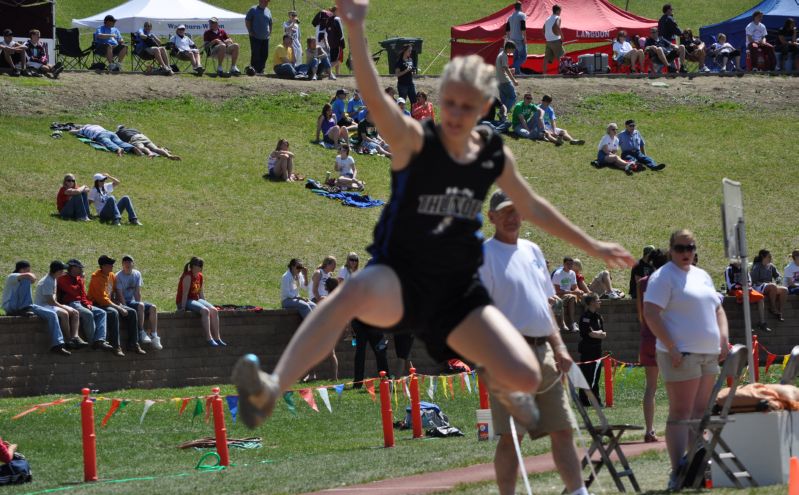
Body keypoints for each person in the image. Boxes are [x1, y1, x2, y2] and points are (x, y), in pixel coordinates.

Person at [231, 0, 635, 433]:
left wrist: (591, 246)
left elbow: (534, 207)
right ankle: (269, 390)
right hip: (400, 277)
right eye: (450, 105)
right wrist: (356, 28)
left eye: (468, 107)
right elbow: (372, 97)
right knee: (346, 297)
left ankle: (516, 400)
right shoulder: (415, 141)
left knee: (526, 374)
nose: (457, 116)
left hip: (456, 294)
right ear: (440, 102)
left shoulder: (493, 154)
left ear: (483, 108)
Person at [480, 191, 626, 495]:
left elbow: (544, 307)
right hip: (506, 354)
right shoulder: (484, 256)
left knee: (562, 428)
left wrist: (559, 348)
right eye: (504, 212)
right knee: (511, 436)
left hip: (543, 351)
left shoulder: (532, 251)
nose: (512, 217)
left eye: (516, 211)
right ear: (491, 218)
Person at [643, 229, 729, 491]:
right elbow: (650, 313)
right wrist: (671, 346)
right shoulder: (663, 277)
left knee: (699, 412)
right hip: (680, 355)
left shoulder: (702, 276)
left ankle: (695, 467)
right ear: (671, 250)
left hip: (708, 353)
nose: (686, 253)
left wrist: (723, 338)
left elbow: (718, 308)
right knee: (681, 412)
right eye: (680, 248)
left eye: (690, 248)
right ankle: (677, 471)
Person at [2, 260, 71, 355]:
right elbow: (32, 277)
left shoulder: (24, 278)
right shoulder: (12, 277)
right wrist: (30, 275)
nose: (30, 271)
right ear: (21, 269)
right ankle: (25, 308)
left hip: (25, 307)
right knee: (26, 280)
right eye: (28, 270)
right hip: (10, 307)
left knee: (52, 314)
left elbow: (32, 278)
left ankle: (57, 345)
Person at [636, 248, 668, 442]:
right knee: (678, 384)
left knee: (651, 387)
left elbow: (641, 313)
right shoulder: (667, 281)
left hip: (647, 335)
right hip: (665, 336)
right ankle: (682, 427)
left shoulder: (642, 283)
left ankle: (649, 430)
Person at [87, 255, 145, 356]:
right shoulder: (96, 278)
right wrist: (118, 307)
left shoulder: (111, 275)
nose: (112, 266)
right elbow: (102, 299)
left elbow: (112, 294)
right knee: (113, 313)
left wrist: (120, 304)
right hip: (98, 304)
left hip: (109, 302)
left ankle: (133, 343)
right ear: (103, 266)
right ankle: (116, 346)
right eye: (110, 265)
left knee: (132, 312)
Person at [56, 259, 115, 352]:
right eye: (79, 268)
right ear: (73, 268)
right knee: (88, 314)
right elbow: (72, 291)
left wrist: (87, 303)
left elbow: (83, 294)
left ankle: (100, 339)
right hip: (70, 303)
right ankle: (92, 341)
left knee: (102, 312)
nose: (81, 270)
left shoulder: (79, 279)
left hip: (81, 303)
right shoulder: (63, 279)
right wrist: (81, 281)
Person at [116, 255, 162, 350]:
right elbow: (119, 295)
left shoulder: (137, 274)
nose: (127, 265)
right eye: (125, 263)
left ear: (133, 264)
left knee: (153, 307)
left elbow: (137, 293)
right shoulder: (118, 276)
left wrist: (141, 308)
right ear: (122, 265)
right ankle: (141, 332)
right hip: (125, 302)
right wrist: (125, 307)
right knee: (140, 305)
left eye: (129, 263)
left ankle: (154, 335)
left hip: (133, 301)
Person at [176, 256, 225, 347]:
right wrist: (182, 307)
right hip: (184, 301)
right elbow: (185, 294)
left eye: (201, 266)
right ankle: (209, 338)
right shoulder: (188, 276)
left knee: (214, 310)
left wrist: (206, 304)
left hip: (195, 300)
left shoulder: (200, 276)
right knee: (205, 311)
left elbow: (201, 292)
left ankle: (217, 338)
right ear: (193, 267)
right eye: (199, 266)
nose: (201, 268)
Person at [724, 259, 771, 332]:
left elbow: (749, 280)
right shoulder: (729, 269)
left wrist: (748, 285)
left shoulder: (744, 268)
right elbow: (730, 285)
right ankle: (748, 325)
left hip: (746, 289)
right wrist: (741, 286)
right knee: (745, 297)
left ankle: (762, 322)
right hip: (735, 290)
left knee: (760, 297)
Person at [577, 294, 606, 407]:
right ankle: (584, 400)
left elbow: (604, 334)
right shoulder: (585, 317)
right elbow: (590, 334)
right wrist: (598, 333)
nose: (600, 302)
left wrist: (597, 333)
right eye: (598, 300)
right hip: (587, 350)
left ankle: (596, 400)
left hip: (597, 350)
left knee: (596, 376)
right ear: (592, 303)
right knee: (587, 375)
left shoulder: (598, 317)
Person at [751, 249, 789, 321]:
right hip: (758, 286)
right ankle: (772, 308)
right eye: (769, 257)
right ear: (763, 256)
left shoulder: (771, 266)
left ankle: (780, 312)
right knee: (772, 286)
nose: (771, 258)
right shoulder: (757, 266)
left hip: (770, 286)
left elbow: (778, 276)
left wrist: (778, 278)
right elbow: (753, 280)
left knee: (784, 290)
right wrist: (767, 284)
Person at [551, 257, 585, 332]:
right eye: (568, 264)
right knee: (572, 297)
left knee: (585, 298)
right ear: (563, 264)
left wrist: (579, 291)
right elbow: (556, 291)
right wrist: (572, 292)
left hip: (569, 295)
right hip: (558, 295)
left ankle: (584, 324)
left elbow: (575, 287)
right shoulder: (558, 274)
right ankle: (570, 323)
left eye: (571, 264)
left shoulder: (572, 273)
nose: (570, 266)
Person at [68, 124, 143, 157]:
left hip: (100, 135)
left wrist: (73, 130)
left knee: (108, 143)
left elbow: (71, 132)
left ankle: (118, 149)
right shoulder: (97, 125)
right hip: (110, 132)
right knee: (120, 142)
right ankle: (132, 148)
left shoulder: (84, 129)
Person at [116, 125, 180, 160]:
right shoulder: (132, 129)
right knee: (155, 148)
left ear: (119, 129)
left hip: (134, 138)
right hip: (143, 136)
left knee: (141, 147)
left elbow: (117, 139)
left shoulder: (119, 132)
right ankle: (169, 155)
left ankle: (150, 153)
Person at [245, 0, 272, 75]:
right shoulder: (253, 10)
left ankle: (261, 70)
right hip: (255, 36)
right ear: (261, 1)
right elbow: (247, 20)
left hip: (265, 37)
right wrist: (250, 31)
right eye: (266, 1)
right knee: (256, 53)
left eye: (268, 1)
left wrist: (270, 32)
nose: (267, 3)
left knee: (265, 54)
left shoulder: (268, 11)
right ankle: (253, 70)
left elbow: (270, 22)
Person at [496, 41, 519, 114]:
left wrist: (510, 70)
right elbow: (505, 68)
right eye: (512, 49)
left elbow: (502, 68)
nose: (513, 51)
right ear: (508, 48)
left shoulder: (500, 54)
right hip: (505, 80)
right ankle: (503, 113)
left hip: (499, 81)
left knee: (504, 99)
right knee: (513, 97)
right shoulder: (504, 55)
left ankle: (502, 115)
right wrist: (514, 80)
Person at [505, 1, 527, 75]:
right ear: (521, 7)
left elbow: (507, 29)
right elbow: (523, 27)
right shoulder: (522, 15)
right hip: (519, 39)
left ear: (514, 7)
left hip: (512, 39)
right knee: (523, 56)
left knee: (516, 56)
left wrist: (509, 39)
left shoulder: (510, 17)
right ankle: (512, 67)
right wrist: (525, 38)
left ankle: (517, 72)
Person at [542, 4, 563, 75]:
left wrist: (547, 36)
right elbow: (557, 26)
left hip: (548, 41)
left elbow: (543, 29)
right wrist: (562, 36)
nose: (560, 12)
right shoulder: (558, 17)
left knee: (546, 58)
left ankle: (544, 74)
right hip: (555, 40)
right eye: (560, 11)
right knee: (561, 56)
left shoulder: (547, 18)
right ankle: (562, 72)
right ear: (557, 11)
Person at [326, 6, 345, 78]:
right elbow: (341, 33)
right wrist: (342, 42)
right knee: (339, 59)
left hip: (331, 43)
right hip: (338, 43)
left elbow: (328, 31)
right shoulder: (337, 19)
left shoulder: (329, 19)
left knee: (334, 58)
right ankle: (326, 68)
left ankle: (337, 74)